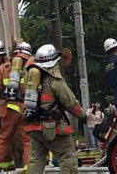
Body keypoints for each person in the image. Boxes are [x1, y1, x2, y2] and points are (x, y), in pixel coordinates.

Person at [25, 44, 86, 174]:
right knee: (67, 157)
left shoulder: (31, 79)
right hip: (52, 129)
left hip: (34, 127)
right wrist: (83, 116)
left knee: (36, 160)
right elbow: (70, 103)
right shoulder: (55, 81)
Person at [0, 42, 32, 172]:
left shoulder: (4, 68)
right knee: (27, 139)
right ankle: (28, 168)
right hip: (25, 108)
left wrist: (2, 96)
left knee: (4, 137)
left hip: (8, 108)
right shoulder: (31, 68)